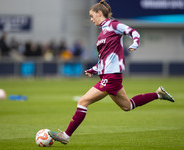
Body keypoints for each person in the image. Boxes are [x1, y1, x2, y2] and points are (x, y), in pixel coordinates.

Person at [48, 0, 174, 144]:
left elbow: (133, 32)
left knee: (83, 101)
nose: (91, 19)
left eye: (91, 15)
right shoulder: (101, 34)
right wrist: (93, 70)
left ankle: (66, 136)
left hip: (112, 77)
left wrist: (135, 43)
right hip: (108, 75)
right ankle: (158, 94)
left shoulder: (113, 25)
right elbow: (103, 60)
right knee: (128, 106)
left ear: (99, 13)